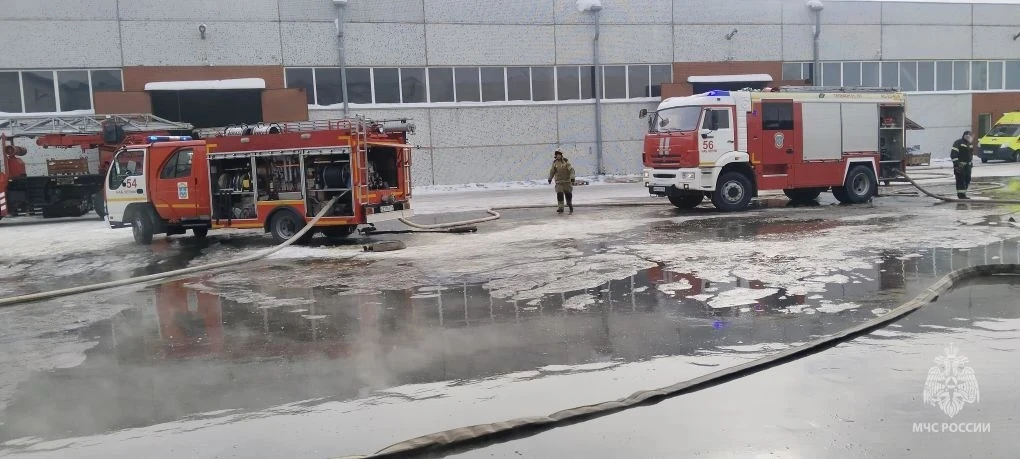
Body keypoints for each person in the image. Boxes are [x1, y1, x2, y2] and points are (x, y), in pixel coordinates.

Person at [950, 131, 974, 199]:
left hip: (968, 166)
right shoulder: (958, 143)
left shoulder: (970, 144)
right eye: (969, 136)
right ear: (965, 136)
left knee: (967, 179)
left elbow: (970, 155)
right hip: (960, 166)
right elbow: (953, 154)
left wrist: (971, 163)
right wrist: (956, 164)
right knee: (960, 180)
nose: (971, 138)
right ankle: (961, 195)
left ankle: (964, 193)